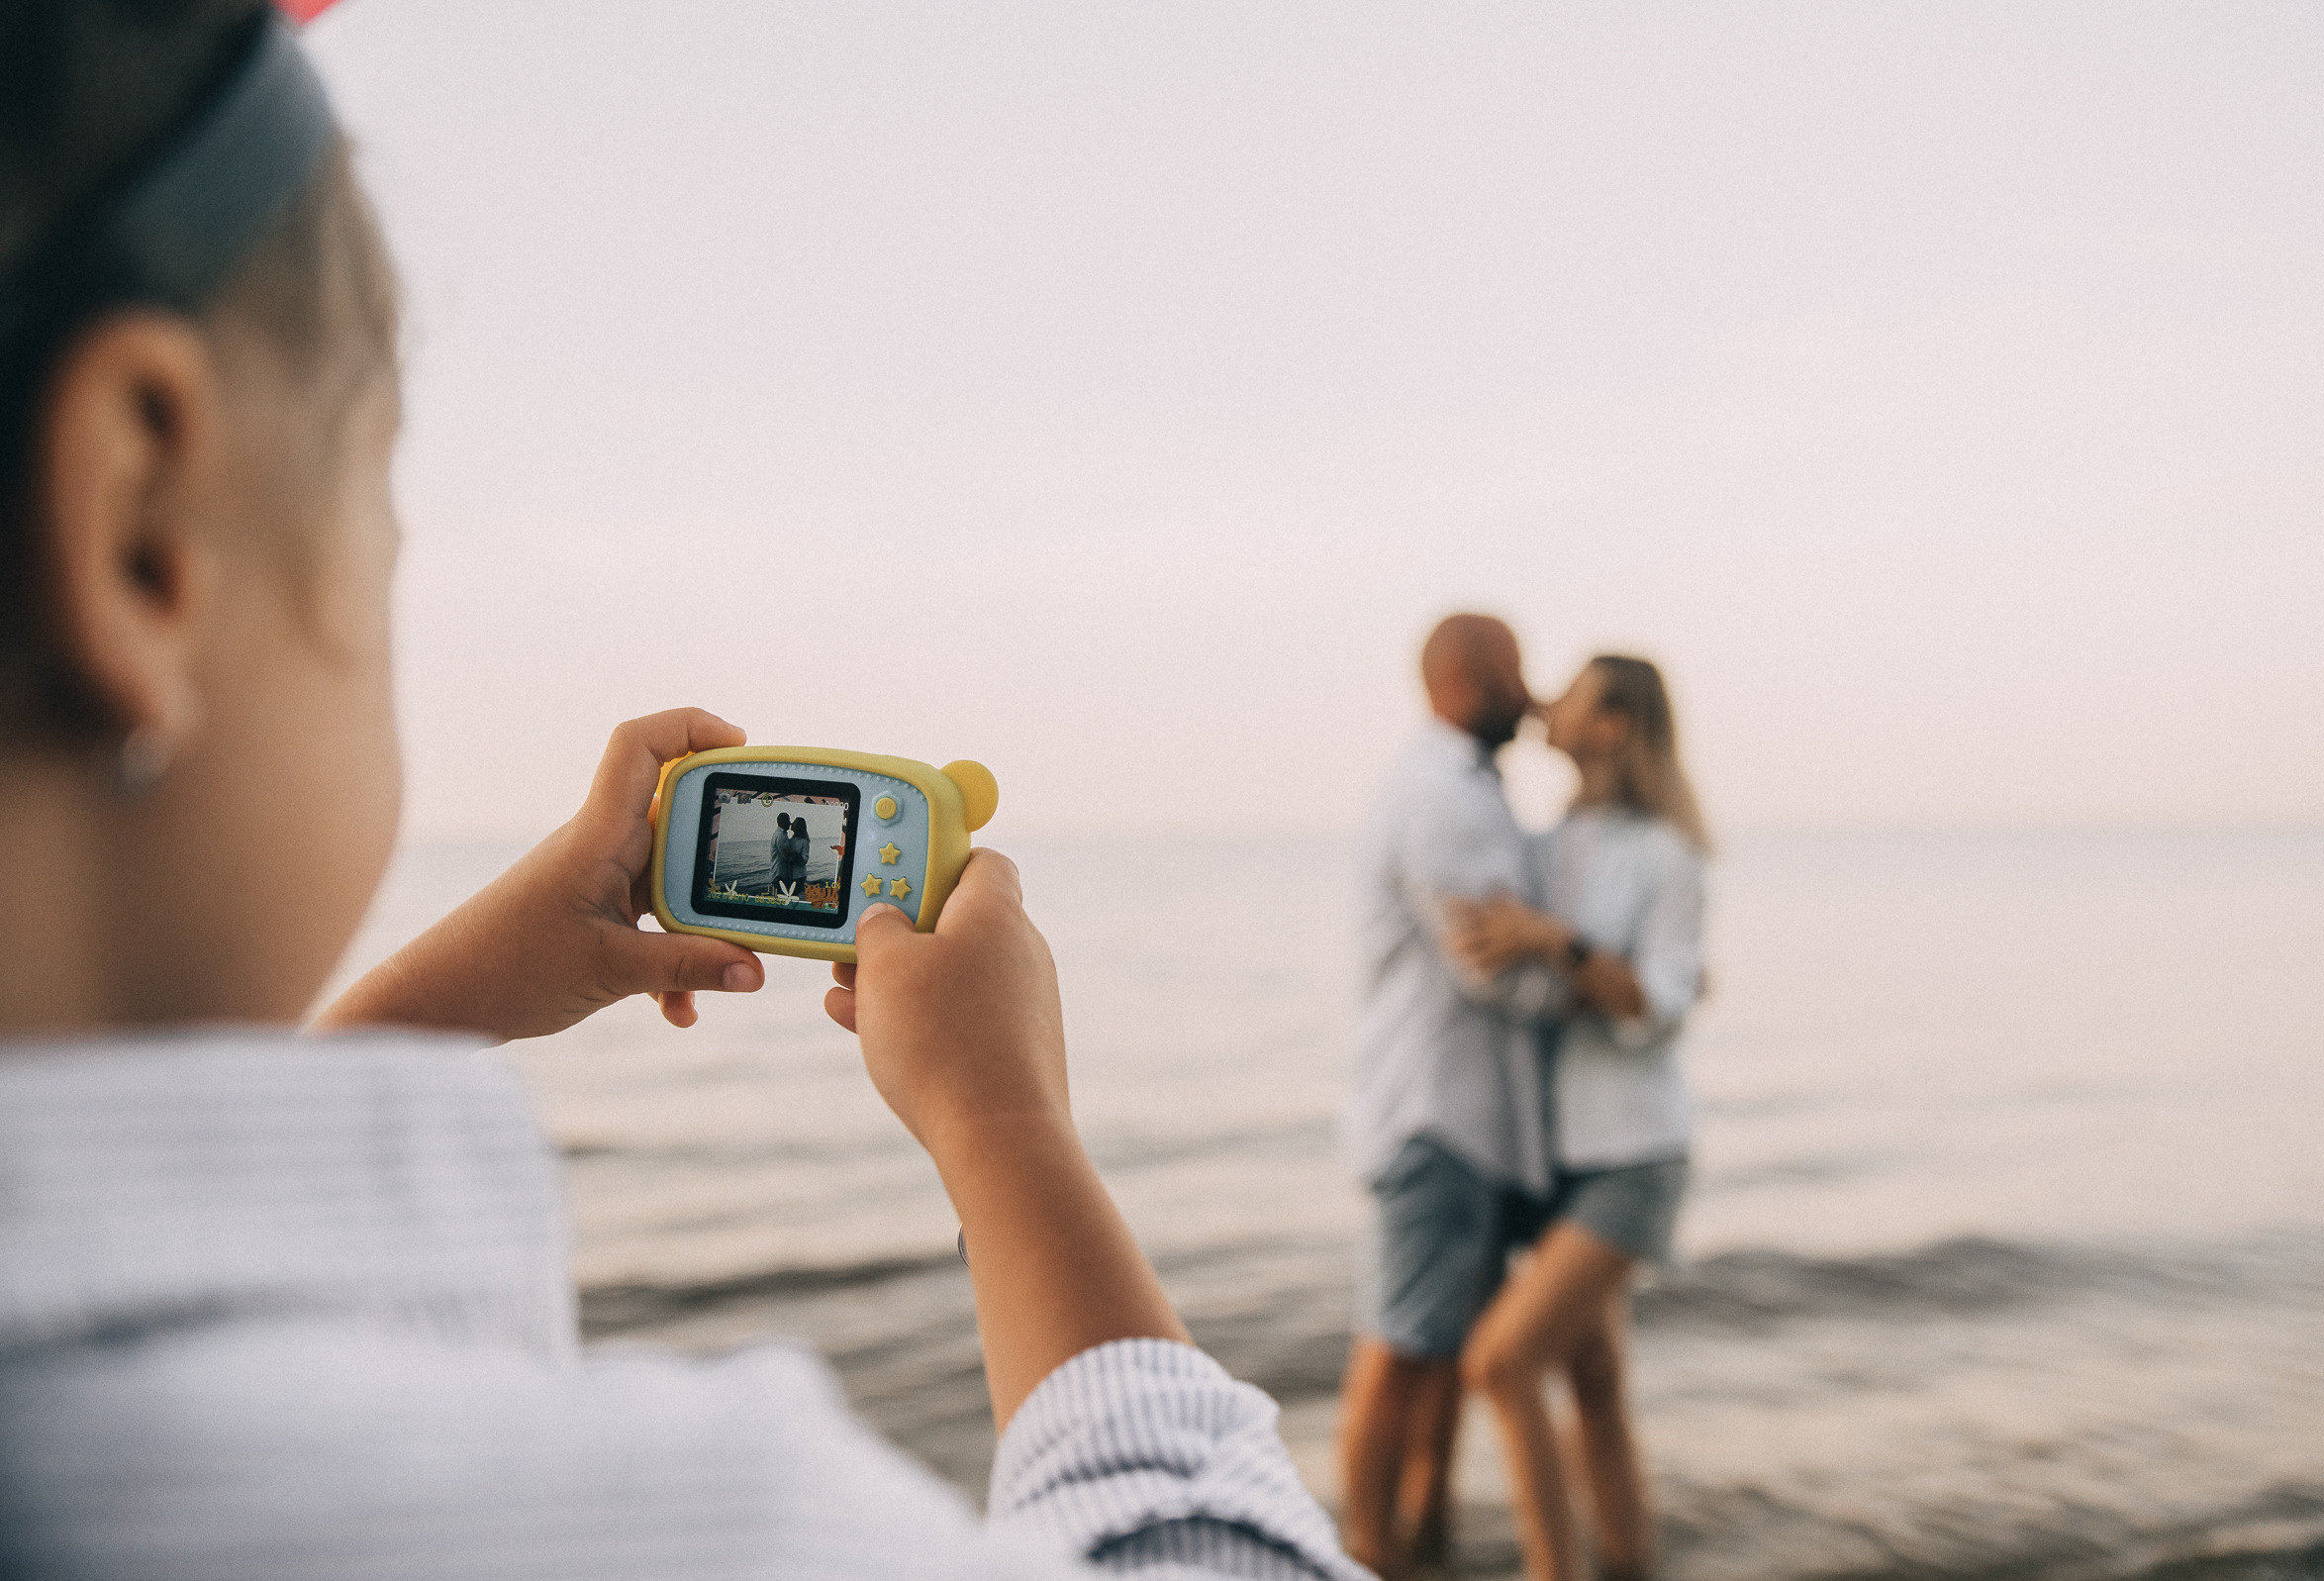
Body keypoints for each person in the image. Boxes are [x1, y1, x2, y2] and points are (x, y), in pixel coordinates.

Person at [0, 6, 1370, 1577]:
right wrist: (1005, 1125)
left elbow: (166, 1254)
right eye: (381, 519)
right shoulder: (672, 1522)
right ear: (138, 532)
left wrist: (436, 1012)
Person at [1444, 655, 1710, 1581]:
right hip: (1564, 1157)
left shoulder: (1667, 853)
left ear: (1613, 727)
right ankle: (1631, 1568)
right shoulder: (1549, 842)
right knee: (1594, 1387)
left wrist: (1553, 942)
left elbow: (1657, 1002)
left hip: (1636, 1155)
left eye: (1574, 691)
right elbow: (1539, 978)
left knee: (1500, 1364)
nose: (1549, 700)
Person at [1335, 613, 1571, 1579]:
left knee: (1441, 1356)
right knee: (1398, 1352)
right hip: (1435, 1114)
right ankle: (1365, 1554)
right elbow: (1494, 965)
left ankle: (1422, 1547)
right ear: (1471, 677)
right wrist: (1593, 969)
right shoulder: (1441, 796)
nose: (1532, 690)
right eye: (1518, 671)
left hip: (1470, 1120)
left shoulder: (1468, 789)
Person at [775, 811, 811, 898]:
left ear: (798, 827)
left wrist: (793, 853)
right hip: (790, 875)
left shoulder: (804, 842)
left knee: (796, 897)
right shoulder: (790, 840)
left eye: (794, 823)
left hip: (799, 876)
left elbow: (804, 861)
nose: (791, 824)